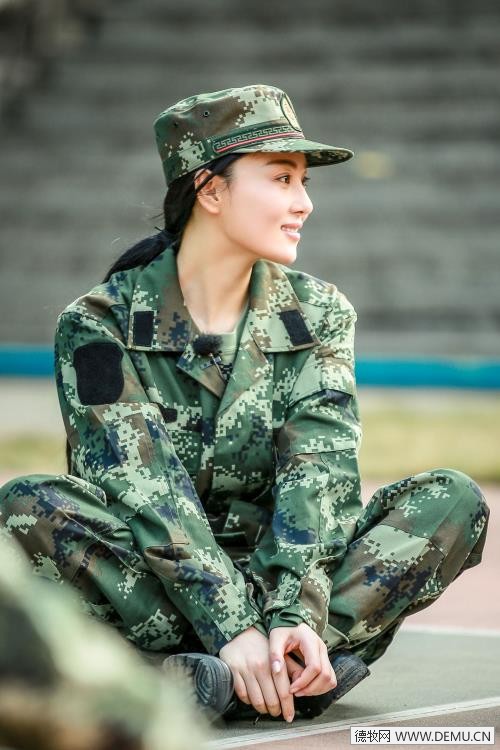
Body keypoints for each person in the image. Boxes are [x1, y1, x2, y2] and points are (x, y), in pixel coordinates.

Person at [0, 84, 490, 725]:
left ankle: (253, 664)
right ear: (210, 190)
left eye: (304, 181)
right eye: (282, 178)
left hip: (281, 572)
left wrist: (294, 613)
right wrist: (231, 624)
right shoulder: (100, 323)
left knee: (451, 499)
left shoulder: (318, 312)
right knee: (27, 504)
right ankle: (279, 673)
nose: (304, 202)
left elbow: (319, 475)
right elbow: (145, 492)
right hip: (152, 579)